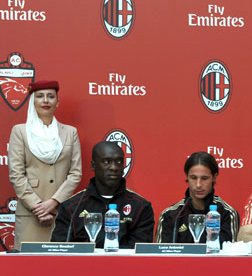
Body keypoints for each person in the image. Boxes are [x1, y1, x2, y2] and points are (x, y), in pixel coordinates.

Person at [8, 80, 82, 245]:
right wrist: (38, 207)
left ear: (57, 102)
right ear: (32, 101)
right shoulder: (20, 131)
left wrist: (54, 202)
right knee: (28, 268)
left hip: (61, 212)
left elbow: (75, 174)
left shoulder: (70, 133)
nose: (46, 101)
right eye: (40, 96)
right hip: (31, 214)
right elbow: (16, 174)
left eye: (51, 96)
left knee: (61, 268)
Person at [51, 141, 154, 248]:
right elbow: (60, 252)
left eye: (119, 162)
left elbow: (140, 255)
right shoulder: (71, 207)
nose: (114, 167)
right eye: (106, 161)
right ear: (93, 166)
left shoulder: (141, 207)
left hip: (125, 264)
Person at [155, 152, 240, 243]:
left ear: (214, 178)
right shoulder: (170, 215)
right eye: (193, 178)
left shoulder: (227, 214)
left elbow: (230, 255)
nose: (198, 185)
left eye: (204, 178)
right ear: (187, 177)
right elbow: (161, 255)